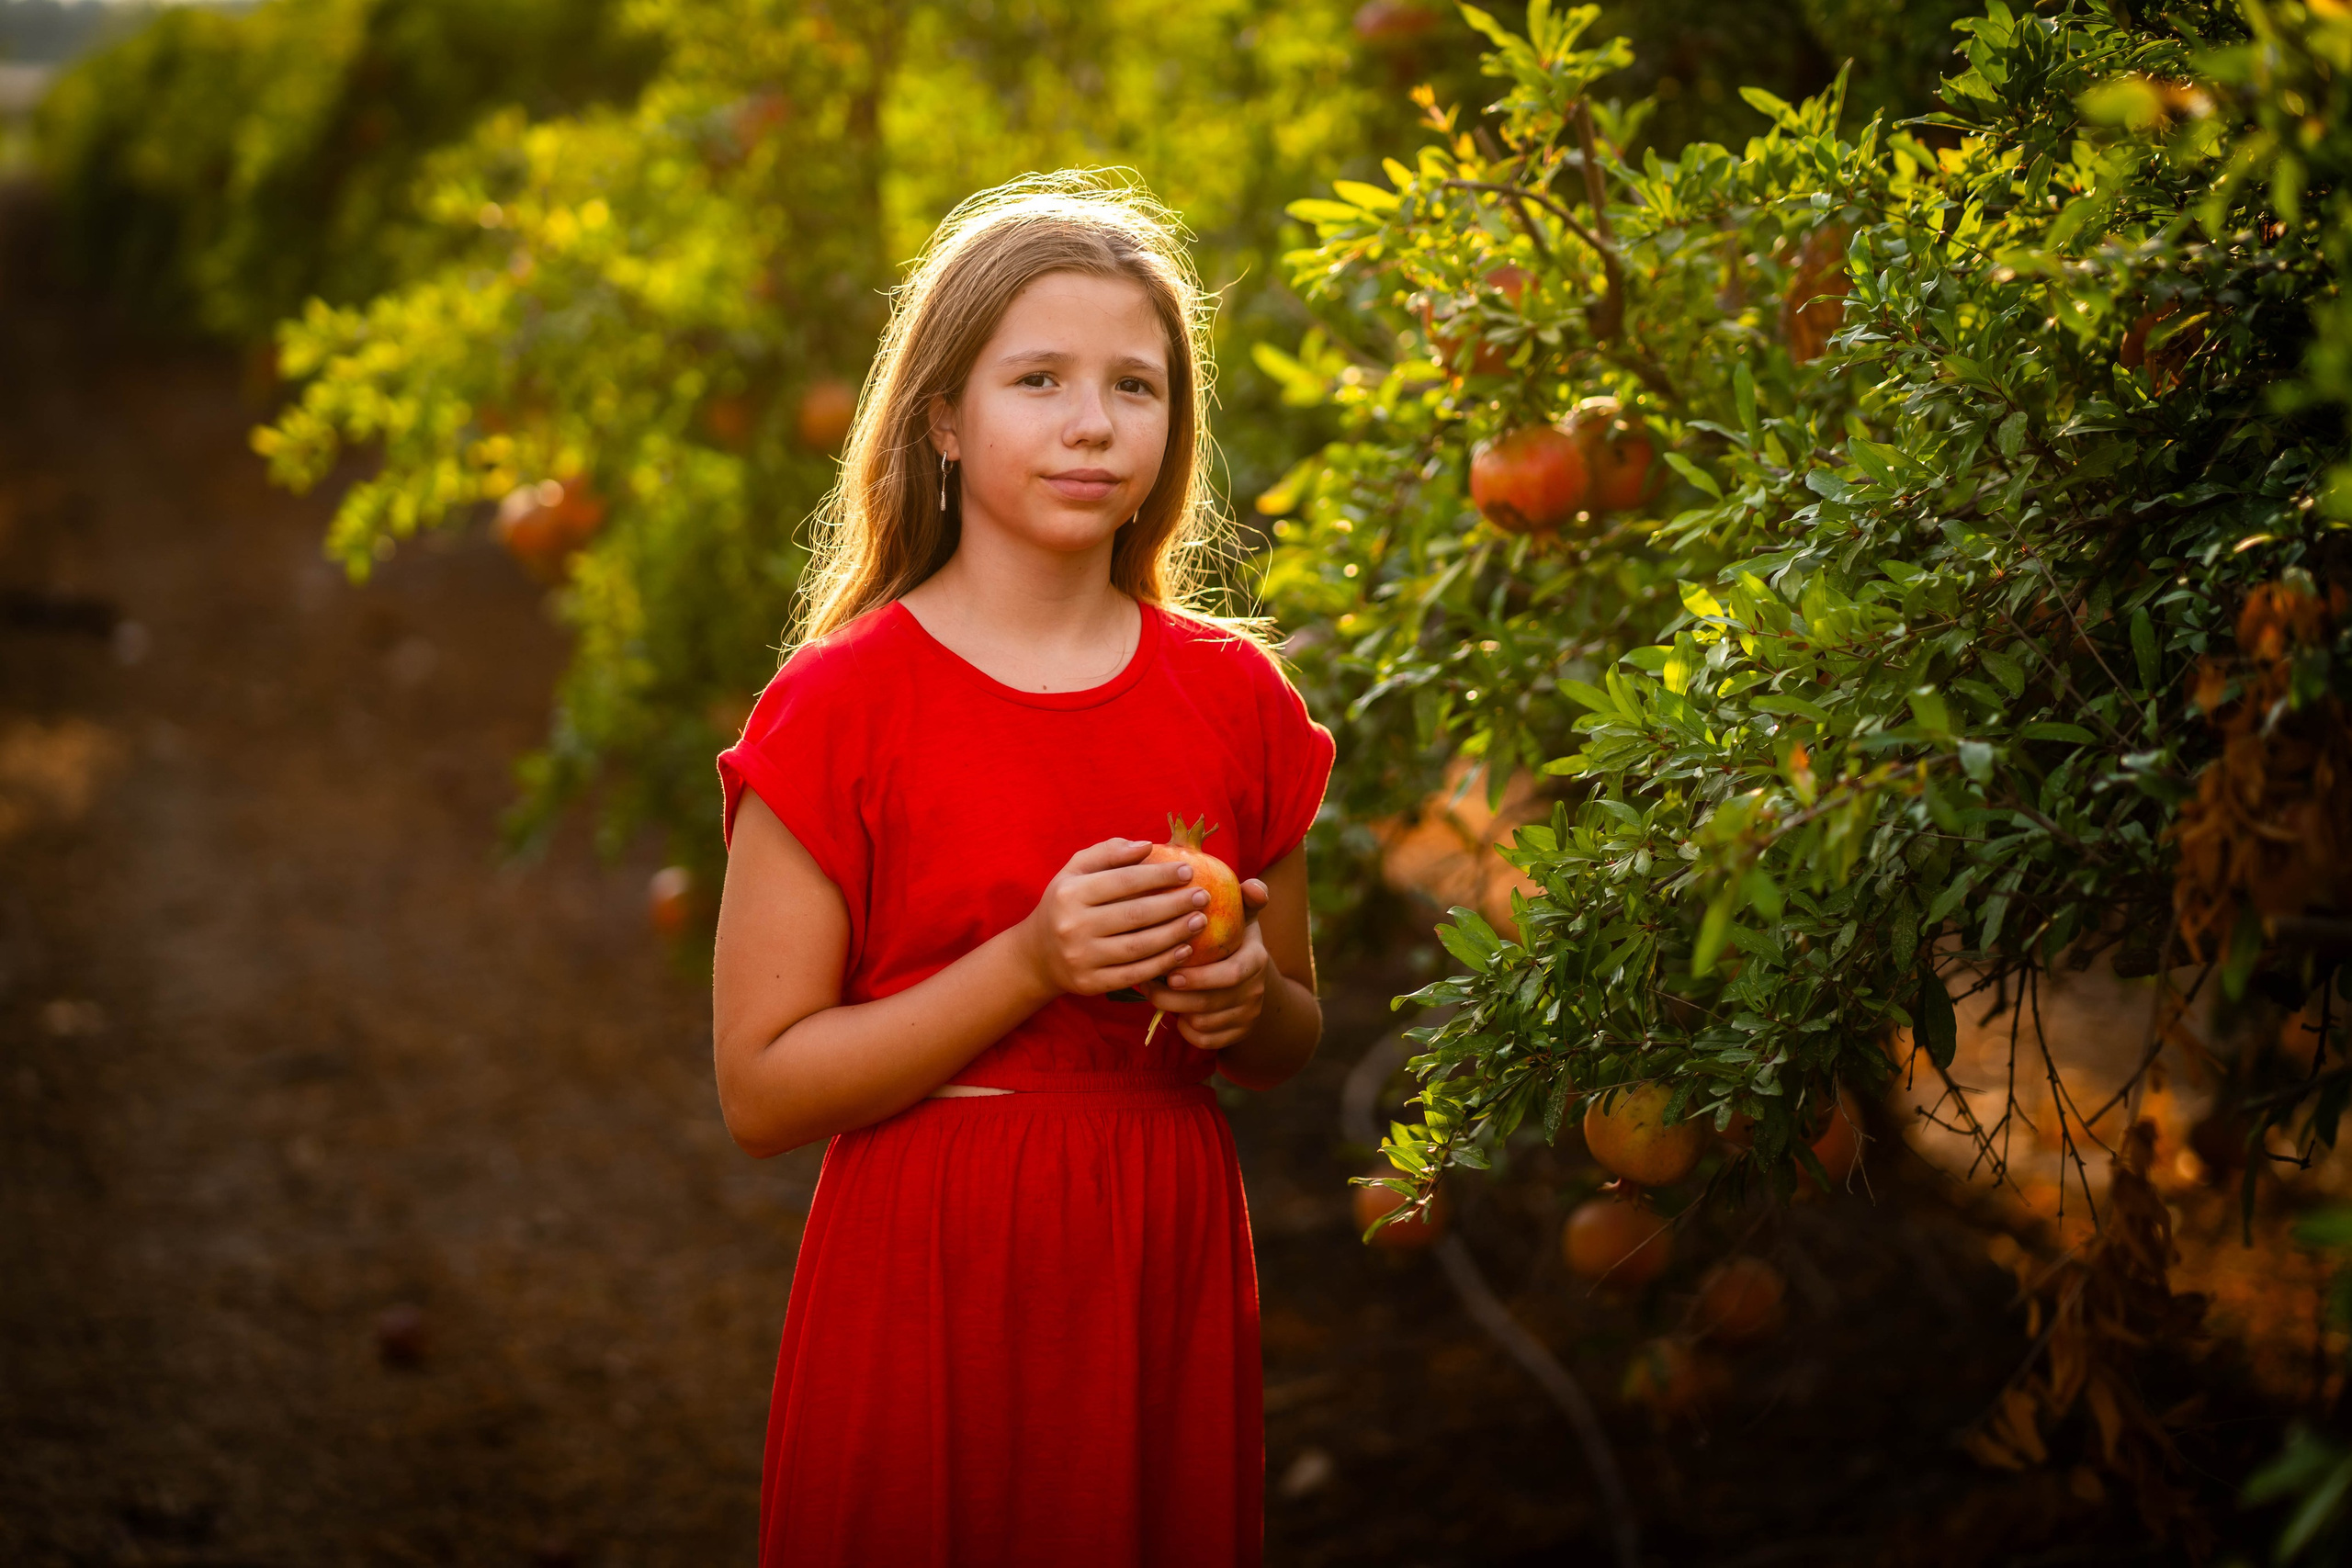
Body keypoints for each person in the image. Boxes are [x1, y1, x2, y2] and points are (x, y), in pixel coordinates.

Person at [710, 171, 1334, 1568]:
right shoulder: (840, 708)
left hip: (1156, 1249)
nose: (1093, 424)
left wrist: (1242, 999)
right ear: (942, 418)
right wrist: (1029, 964)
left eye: (1136, 385)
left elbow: (1295, 1028)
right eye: (1038, 379)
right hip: (929, 1260)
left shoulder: (1235, 699)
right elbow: (760, 1089)